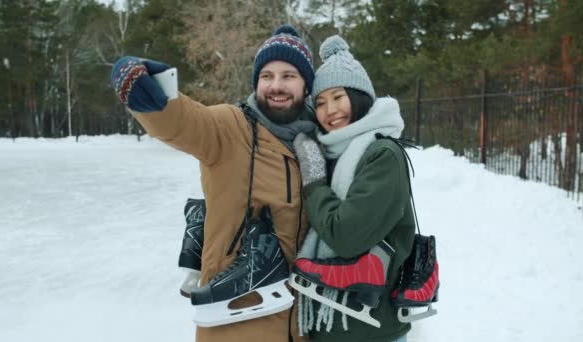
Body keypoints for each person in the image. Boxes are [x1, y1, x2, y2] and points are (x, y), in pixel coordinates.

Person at [110, 25, 316, 342]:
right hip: (236, 323)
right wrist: (153, 97)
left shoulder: (317, 144)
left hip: (301, 326)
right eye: (267, 76)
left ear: (306, 85)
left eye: (289, 76)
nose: (276, 85)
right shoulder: (230, 127)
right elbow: (186, 121)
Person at [291, 35, 415, 342]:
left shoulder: (381, 154)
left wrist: (315, 181)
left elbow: (346, 236)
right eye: (320, 103)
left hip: (371, 331)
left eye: (338, 97)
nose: (329, 110)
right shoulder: (333, 152)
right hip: (329, 326)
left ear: (359, 96)